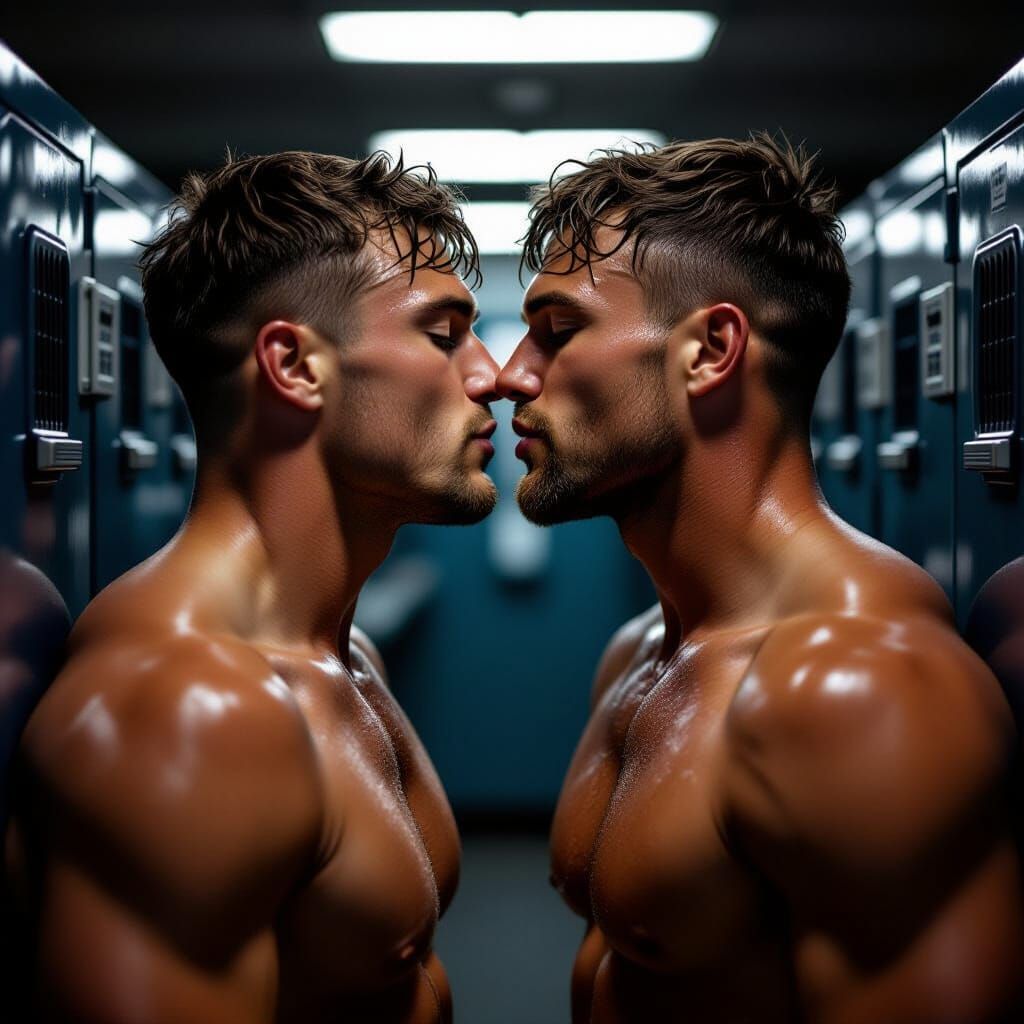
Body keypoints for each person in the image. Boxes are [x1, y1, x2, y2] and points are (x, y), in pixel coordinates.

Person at [497, 135, 1024, 1023]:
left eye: (556, 332)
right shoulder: (643, 652)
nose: (509, 375)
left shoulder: (858, 695)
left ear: (710, 350)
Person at [5, 151, 499, 1023]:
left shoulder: (339, 656)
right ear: (295, 366)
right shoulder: (186, 711)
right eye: (444, 332)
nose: (492, 374)